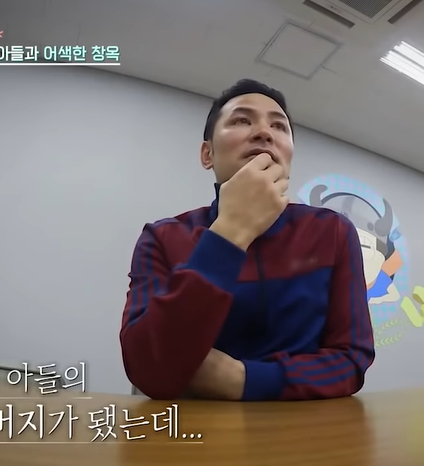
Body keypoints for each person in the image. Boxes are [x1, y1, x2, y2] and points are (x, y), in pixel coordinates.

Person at [119, 79, 375, 401]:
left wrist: (241, 378)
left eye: (279, 126)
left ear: (289, 154)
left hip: (307, 425)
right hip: (192, 427)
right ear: (208, 154)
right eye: (242, 120)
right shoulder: (162, 237)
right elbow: (148, 368)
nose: (264, 133)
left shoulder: (332, 231)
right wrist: (231, 231)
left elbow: (351, 360)